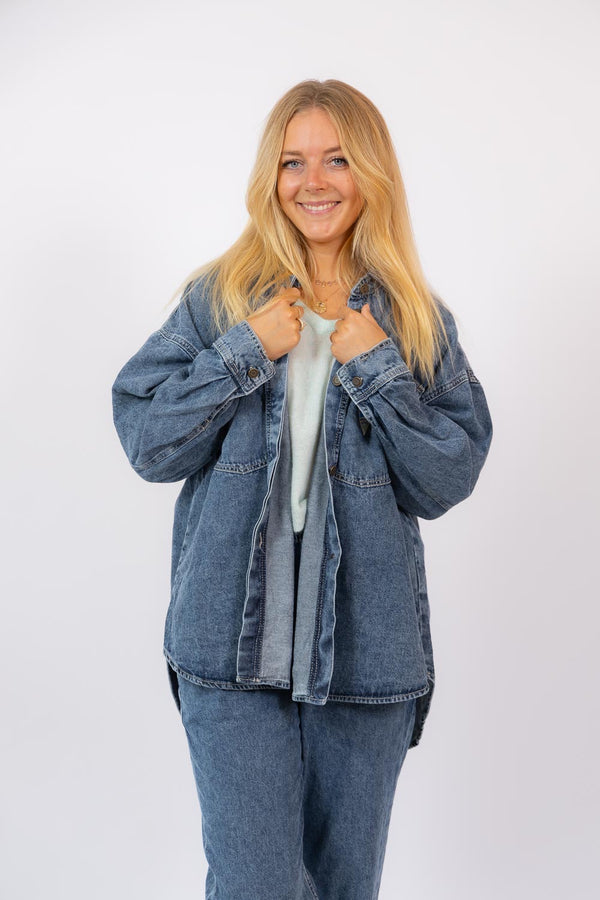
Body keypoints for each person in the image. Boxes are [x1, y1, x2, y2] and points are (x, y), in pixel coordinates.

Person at [112, 79, 493, 900]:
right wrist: (244, 350)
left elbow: (446, 477)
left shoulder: (414, 321)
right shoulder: (222, 301)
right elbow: (147, 440)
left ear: (372, 173)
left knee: (343, 889)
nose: (312, 182)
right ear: (270, 176)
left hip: (365, 658)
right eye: (292, 162)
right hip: (230, 650)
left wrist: (378, 366)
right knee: (253, 886)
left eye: (336, 160)